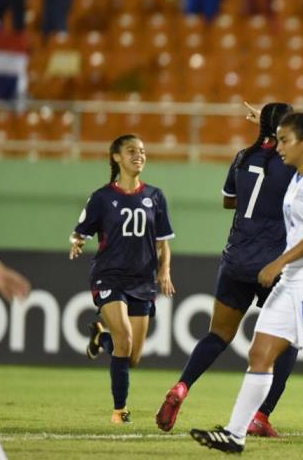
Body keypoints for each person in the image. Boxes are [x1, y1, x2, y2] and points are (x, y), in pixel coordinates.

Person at [190, 112, 303, 457]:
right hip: (294, 278)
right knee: (260, 352)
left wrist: (278, 262)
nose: (277, 146)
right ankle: (235, 434)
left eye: (284, 140)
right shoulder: (299, 178)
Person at [156, 102, 299, 436]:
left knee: (218, 334)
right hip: (273, 263)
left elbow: (228, 200)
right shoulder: (293, 164)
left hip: (235, 259)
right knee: (290, 341)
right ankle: (261, 416)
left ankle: (182, 387)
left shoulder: (242, 157)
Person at [70, 134, 176, 424]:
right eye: (131, 151)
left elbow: (163, 242)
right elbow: (82, 229)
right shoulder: (103, 197)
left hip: (143, 281)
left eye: (142, 151)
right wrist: (77, 241)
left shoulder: (155, 196)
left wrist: (164, 271)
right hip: (109, 277)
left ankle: (100, 334)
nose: (138, 155)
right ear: (116, 157)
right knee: (125, 340)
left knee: (132, 357)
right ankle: (120, 410)